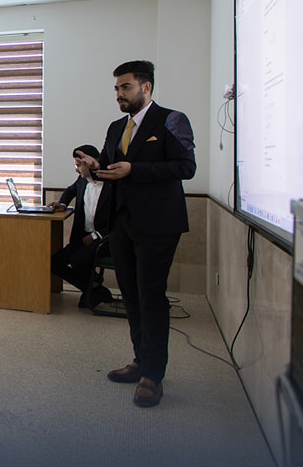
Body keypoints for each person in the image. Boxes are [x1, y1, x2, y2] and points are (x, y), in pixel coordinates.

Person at [74, 60, 196, 408]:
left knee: (151, 297)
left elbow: (186, 167)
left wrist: (135, 169)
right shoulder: (116, 128)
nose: (119, 94)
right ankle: (141, 360)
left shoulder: (172, 120)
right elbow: (109, 168)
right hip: (121, 224)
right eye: (116, 88)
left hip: (159, 224)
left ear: (146, 86)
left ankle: (153, 376)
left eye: (125, 87)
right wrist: (93, 169)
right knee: (130, 296)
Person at [48, 145, 113, 309]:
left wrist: (96, 236)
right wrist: (63, 204)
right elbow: (70, 191)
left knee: (78, 260)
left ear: (91, 162)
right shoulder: (82, 180)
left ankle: (93, 290)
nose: (76, 169)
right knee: (54, 262)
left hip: (106, 239)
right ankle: (95, 288)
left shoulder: (113, 185)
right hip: (83, 237)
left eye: (78, 165)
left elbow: (119, 220)